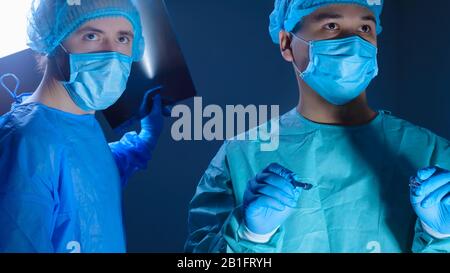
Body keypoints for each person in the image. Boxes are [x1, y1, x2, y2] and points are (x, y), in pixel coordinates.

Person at [185, 0, 450, 253]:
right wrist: (251, 236)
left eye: (365, 28)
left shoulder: (431, 153)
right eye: (332, 26)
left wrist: (442, 237)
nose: (354, 42)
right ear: (287, 43)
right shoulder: (241, 156)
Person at [0, 0, 167, 253]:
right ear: (53, 43)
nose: (111, 53)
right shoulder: (26, 141)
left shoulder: (78, 122)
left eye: (123, 38)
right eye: (92, 36)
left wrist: (146, 138)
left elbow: (88, 174)